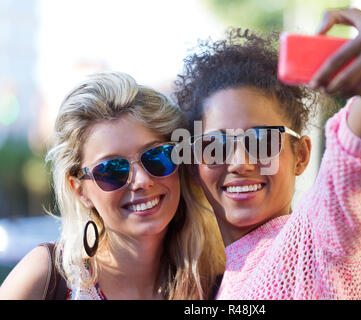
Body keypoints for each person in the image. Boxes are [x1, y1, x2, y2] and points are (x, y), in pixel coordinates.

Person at [173, 8, 361, 299]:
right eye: (216, 146)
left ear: (301, 155)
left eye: (262, 140)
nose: (240, 163)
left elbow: (356, 153)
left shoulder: (319, 238)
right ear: (194, 166)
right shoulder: (212, 281)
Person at [0, 72, 224, 300]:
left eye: (157, 156)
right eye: (112, 170)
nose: (142, 181)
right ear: (79, 190)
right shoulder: (47, 276)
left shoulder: (217, 281)